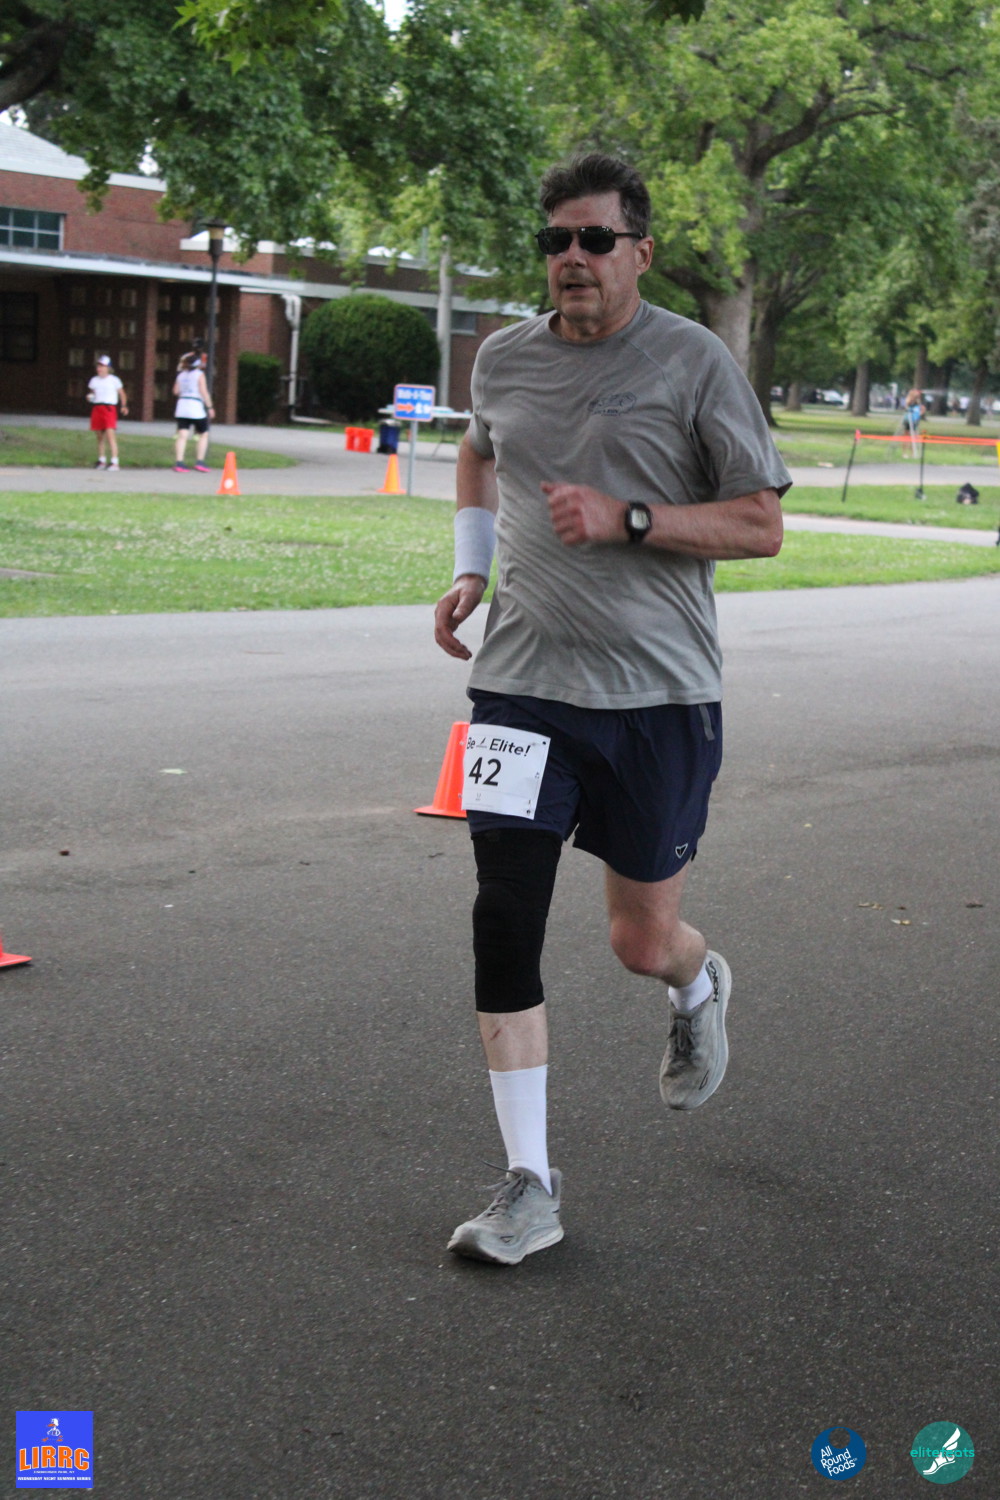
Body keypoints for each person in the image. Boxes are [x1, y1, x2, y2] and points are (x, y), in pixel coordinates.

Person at [432, 153, 792, 1266]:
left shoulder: (692, 360)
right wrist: (472, 569)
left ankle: (695, 979)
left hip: (657, 696)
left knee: (638, 941)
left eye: (595, 239)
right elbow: (477, 453)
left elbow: (761, 524)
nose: (573, 258)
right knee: (503, 915)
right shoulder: (504, 358)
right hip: (518, 686)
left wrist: (630, 518)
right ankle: (529, 1186)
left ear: (639, 251)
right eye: (556, 241)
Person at [172, 352, 215, 472]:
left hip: (182, 406)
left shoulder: (181, 375)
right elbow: (203, 391)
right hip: (195, 406)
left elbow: (175, 391)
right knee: (203, 434)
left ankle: (179, 462)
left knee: (182, 436)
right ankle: (200, 461)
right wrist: (210, 407)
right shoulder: (199, 374)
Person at [87, 355, 128, 469]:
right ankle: (102, 460)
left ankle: (115, 461)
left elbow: (122, 394)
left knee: (110, 435)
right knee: (99, 436)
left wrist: (124, 406)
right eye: (98, 366)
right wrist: (90, 397)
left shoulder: (114, 380)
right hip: (97, 408)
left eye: (102, 366)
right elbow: (92, 393)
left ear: (108, 368)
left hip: (109, 408)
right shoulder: (94, 380)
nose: (99, 368)